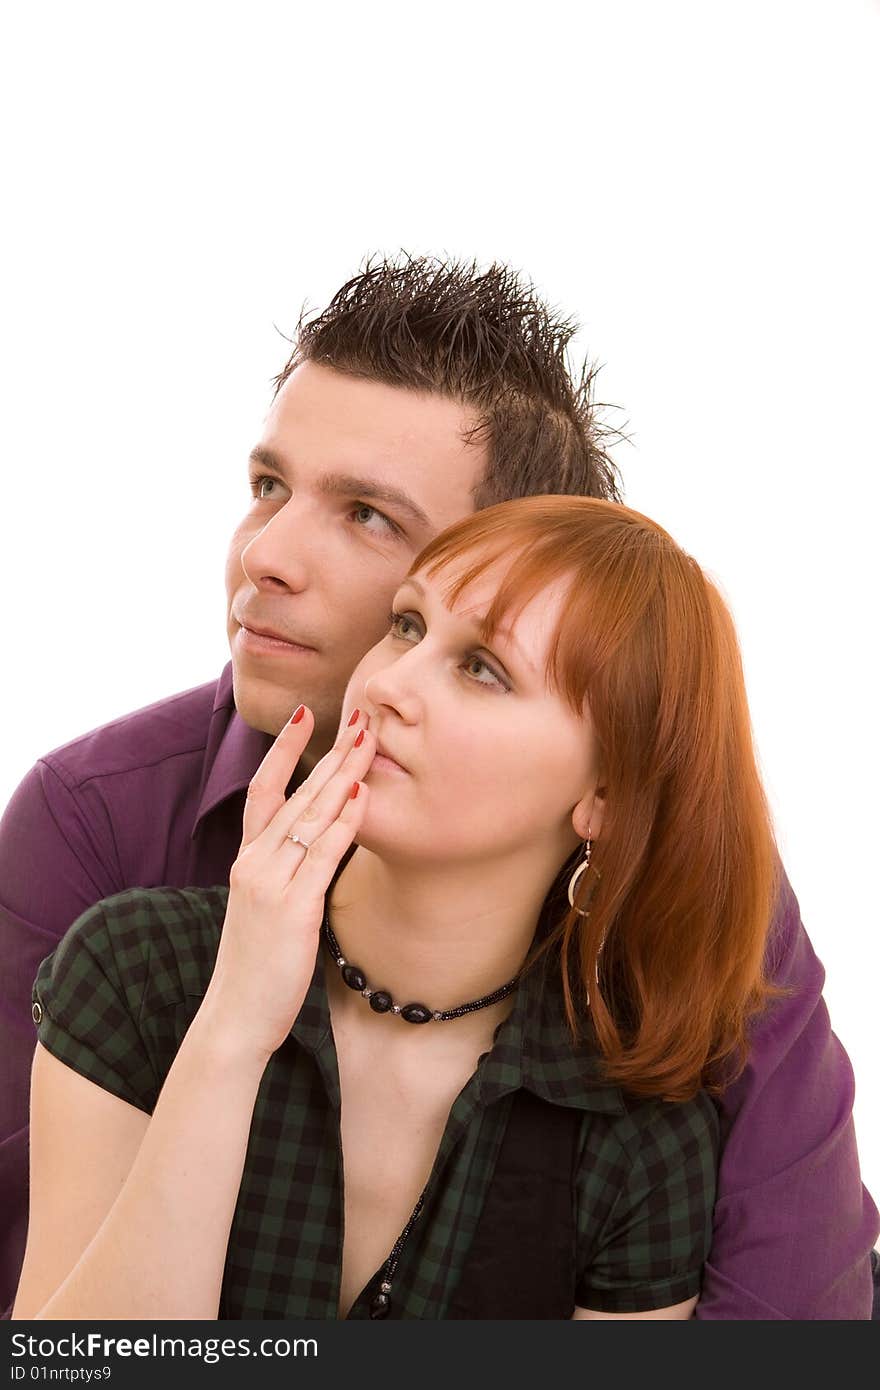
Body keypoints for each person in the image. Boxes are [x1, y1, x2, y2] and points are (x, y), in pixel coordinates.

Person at [0, 257, 877, 1317]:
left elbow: (795, 1291)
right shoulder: (94, 828)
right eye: (268, 487)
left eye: (368, 514)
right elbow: (40, 1277)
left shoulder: (676, 919)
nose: (263, 555)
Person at [16, 494, 784, 1319]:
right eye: (409, 625)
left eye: (482, 669)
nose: (385, 685)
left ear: (607, 796)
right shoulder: (138, 971)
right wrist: (233, 1029)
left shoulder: (634, 1140)